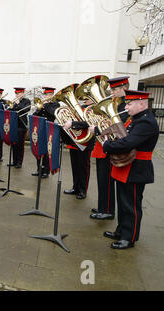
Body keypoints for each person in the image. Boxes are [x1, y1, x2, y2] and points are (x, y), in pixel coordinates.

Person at [102, 90, 158, 249]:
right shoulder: (136, 119)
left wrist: (107, 146)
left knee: (131, 205)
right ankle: (121, 231)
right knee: (122, 202)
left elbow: (128, 143)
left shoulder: (146, 122)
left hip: (136, 169)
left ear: (142, 103)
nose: (126, 106)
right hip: (127, 166)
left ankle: (129, 237)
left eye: (129, 103)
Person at [88, 76, 131, 219]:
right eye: (111, 89)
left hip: (114, 146)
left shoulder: (126, 105)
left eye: (114, 89)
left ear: (124, 88)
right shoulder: (115, 103)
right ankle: (103, 206)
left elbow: (119, 127)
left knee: (106, 180)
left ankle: (107, 211)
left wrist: (99, 130)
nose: (111, 92)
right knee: (102, 179)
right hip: (106, 145)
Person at [63, 98, 96, 200]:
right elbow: (73, 119)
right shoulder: (80, 108)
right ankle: (75, 187)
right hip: (75, 140)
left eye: (87, 97)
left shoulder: (95, 109)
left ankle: (82, 190)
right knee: (75, 166)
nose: (84, 99)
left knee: (83, 167)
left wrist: (73, 124)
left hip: (86, 142)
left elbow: (89, 122)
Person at [32, 87, 60, 178]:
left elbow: (53, 114)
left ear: (52, 94)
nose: (46, 96)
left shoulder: (56, 104)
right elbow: (34, 115)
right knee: (39, 148)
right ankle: (38, 169)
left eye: (48, 94)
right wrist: (39, 109)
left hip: (50, 129)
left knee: (48, 151)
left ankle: (46, 171)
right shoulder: (42, 104)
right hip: (40, 128)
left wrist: (46, 105)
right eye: (45, 94)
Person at [9, 87, 31, 168]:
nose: (17, 95)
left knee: (20, 145)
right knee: (14, 144)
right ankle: (14, 161)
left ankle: (19, 162)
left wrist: (18, 104)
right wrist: (11, 107)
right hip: (14, 125)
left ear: (22, 93)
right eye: (16, 93)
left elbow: (26, 110)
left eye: (18, 93)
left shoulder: (27, 101)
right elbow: (11, 111)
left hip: (22, 125)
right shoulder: (14, 101)